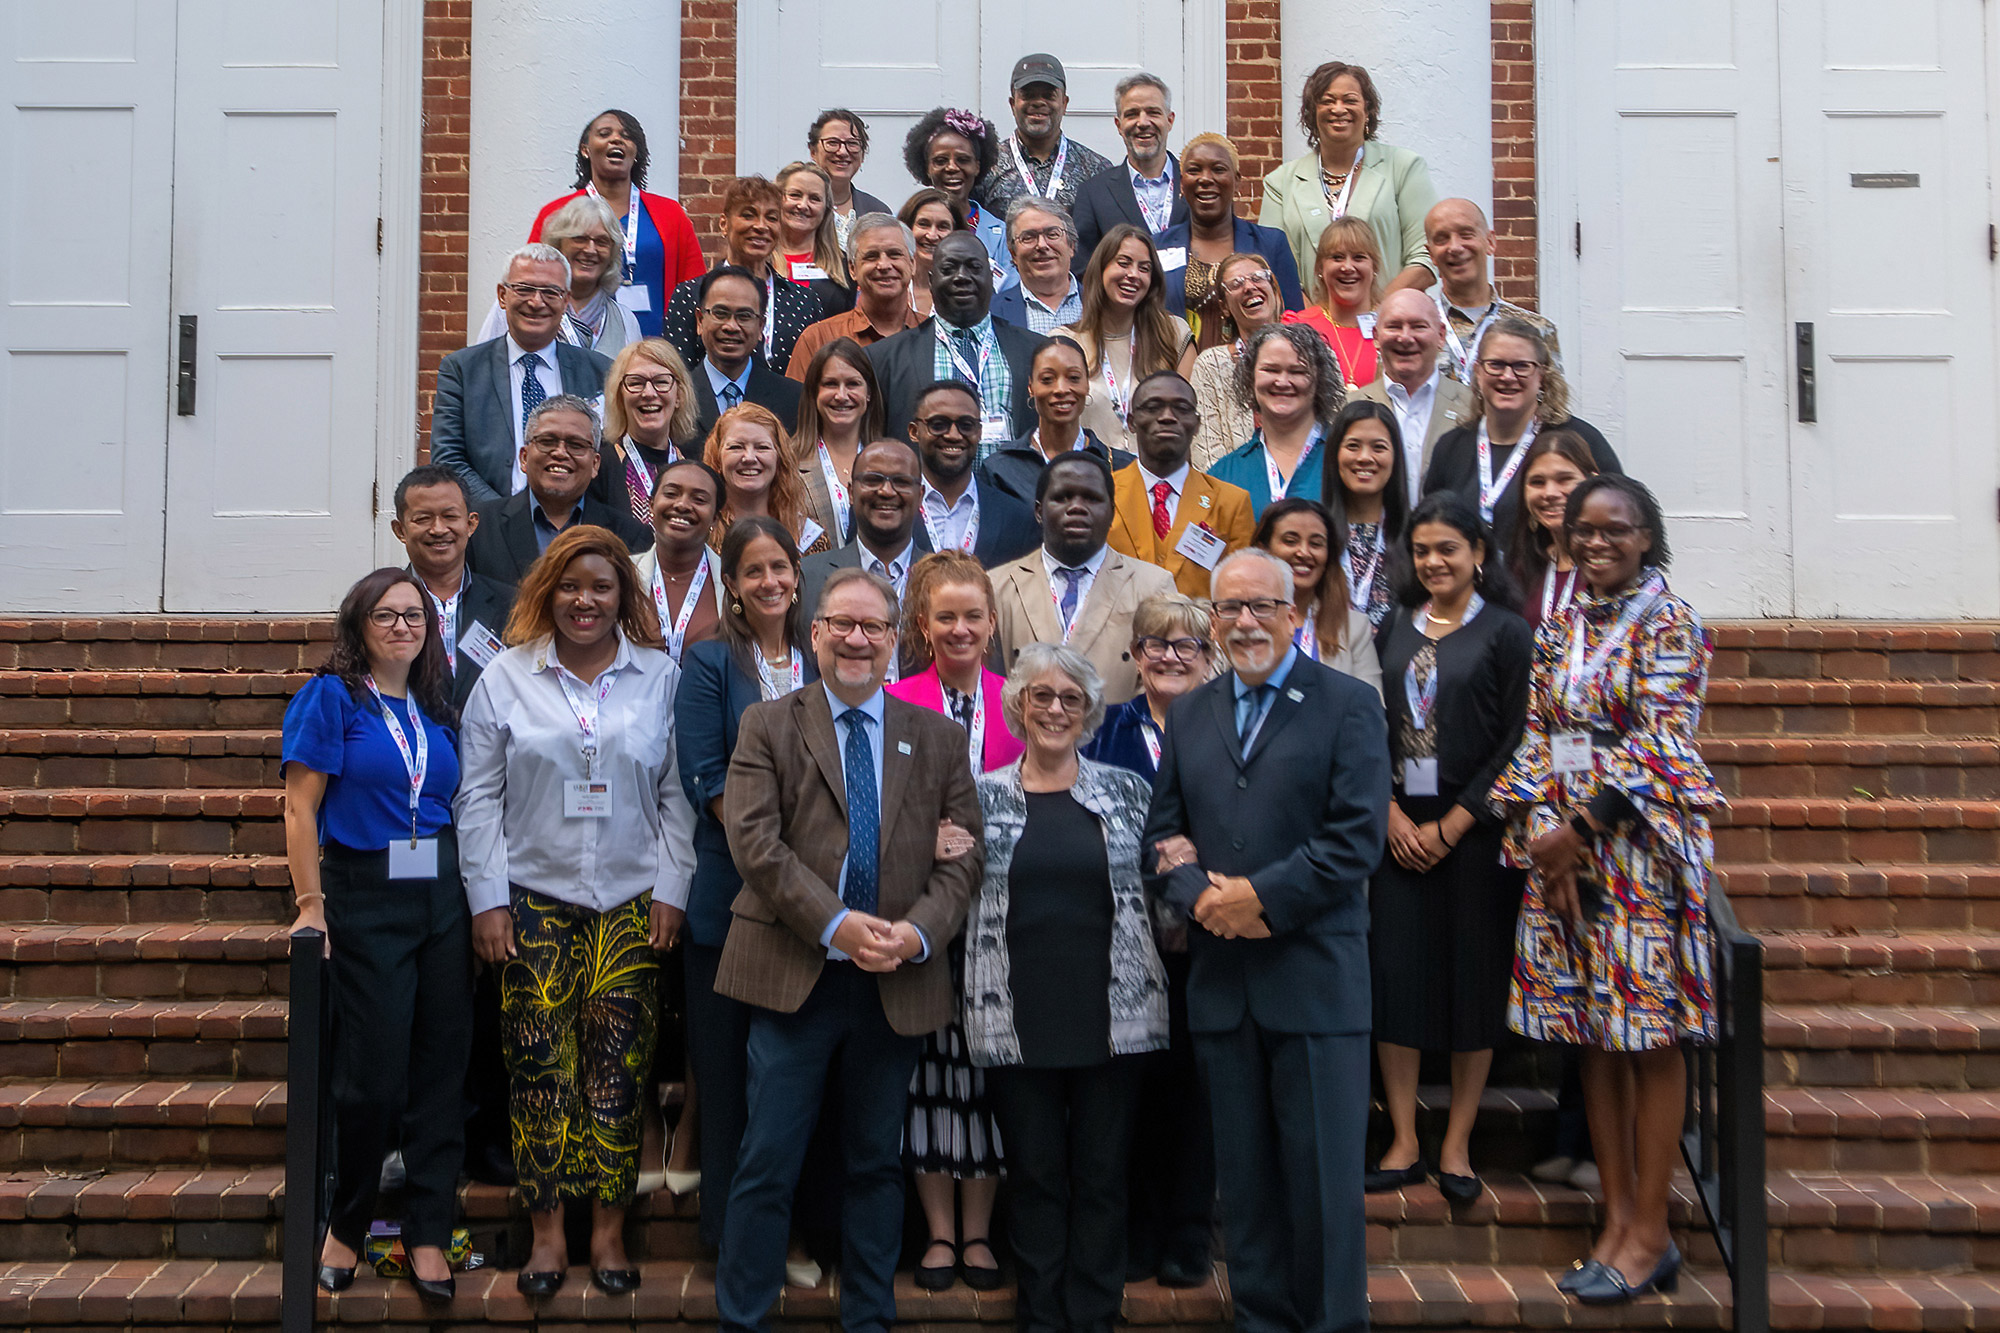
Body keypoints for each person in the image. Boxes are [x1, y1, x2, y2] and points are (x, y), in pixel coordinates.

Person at [711, 566, 983, 1333]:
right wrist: (838, 924)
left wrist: (916, 930)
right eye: (844, 625)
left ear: (896, 641)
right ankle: (744, 1315)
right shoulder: (769, 723)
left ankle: (869, 1316)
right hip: (796, 973)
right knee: (767, 1160)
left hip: (895, 980)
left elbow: (964, 856)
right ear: (817, 633)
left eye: (874, 627)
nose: (858, 639)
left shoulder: (936, 736)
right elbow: (756, 844)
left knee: (874, 1161)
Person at [1141, 547, 1390, 1333]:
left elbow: (1355, 840)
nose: (1244, 621)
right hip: (1223, 989)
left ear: (1293, 614)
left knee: (1320, 1193)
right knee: (1244, 1192)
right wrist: (1205, 898)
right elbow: (1163, 835)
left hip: (1314, 984)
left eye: (1261, 606)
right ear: (1213, 622)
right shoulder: (1193, 711)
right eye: (1229, 609)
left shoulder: (1348, 705)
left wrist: (1258, 897)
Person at [1491, 475, 1719, 1305]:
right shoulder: (1557, 632)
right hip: (1567, 865)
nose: (1596, 543)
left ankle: (1653, 1230)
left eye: (1615, 531)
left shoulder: (1673, 623)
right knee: (1592, 1032)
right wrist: (1538, 838)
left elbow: (1662, 744)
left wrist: (1579, 831)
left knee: (1648, 1040)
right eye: (1582, 531)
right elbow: (1541, 740)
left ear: (1646, 538)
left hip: (1639, 861)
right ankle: (1615, 1219)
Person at [455, 525, 699, 1298]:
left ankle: (608, 1231)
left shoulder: (659, 677)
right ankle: (548, 1235)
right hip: (532, 900)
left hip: (630, 902)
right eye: (570, 586)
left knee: (618, 1074)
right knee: (538, 1071)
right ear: (546, 593)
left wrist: (672, 887)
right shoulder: (505, 677)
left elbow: (677, 798)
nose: (584, 600)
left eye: (601, 587)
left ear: (623, 596)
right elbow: (478, 797)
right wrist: (486, 899)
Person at [962, 644, 1169, 1333]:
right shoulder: (981, 794)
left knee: (1104, 1177)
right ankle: (1042, 1316)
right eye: (1041, 696)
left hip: (1115, 1009)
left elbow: (1161, 881)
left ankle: (1094, 1315)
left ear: (1088, 712)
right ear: (1017, 705)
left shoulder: (1128, 790)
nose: (1055, 708)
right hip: (1017, 1011)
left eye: (1070, 699)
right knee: (1037, 1175)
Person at [288, 569, 468, 1304]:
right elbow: (300, 808)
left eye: (414, 614)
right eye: (386, 614)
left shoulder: (433, 704)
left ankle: (428, 1229)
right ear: (358, 624)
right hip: (364, 894)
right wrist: (310, 904)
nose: (402, 625)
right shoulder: (332, 697)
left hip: (442, 896)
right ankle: (348, 1221)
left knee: (440, 1071)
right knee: (373, 1076)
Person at [1368, 493, 1532, 1204]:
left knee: (1474, 981)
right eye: (1423, 550)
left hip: (1477, 833)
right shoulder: (1388, 630)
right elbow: (1365, 726)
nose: (1434, 561)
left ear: (1479, 555)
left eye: (1449, 549)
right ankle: (1404, 1137)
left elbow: (1521, 740)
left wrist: (1457, 821)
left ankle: (1458, 1142)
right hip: (1398, 828)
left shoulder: (1506, 632)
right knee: (1395, 978)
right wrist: (1393, 812)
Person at [676, 517, 821, 1252]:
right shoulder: (708, 664)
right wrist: (778, 861)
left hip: (816, 905)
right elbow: (706, 777)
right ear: (730, 583)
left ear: (798, 575)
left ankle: (792, 1232)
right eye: (753, 570)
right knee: (727, 1078)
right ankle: (728, 1239)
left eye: (780, 568)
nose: (769, 581)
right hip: (731, 900)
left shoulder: (824, 656)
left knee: (793, 1085)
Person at [885, 552, 1021, 1293]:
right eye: (946, 617)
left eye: (974, 616)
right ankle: (940, 1231)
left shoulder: (1023, 701)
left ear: (993, 623)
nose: (961, 629)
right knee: (932, 1077)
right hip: (922, 919)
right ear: (923, 625)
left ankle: (981, 1231)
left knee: (990, 1074)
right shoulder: (893, 698)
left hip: (1001, 921)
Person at [1077, 594, 1219, 1289]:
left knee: (1195, 1093)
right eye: (1154, 643)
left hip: (1208, 938)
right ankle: (1135, 1230)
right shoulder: (1103, 730)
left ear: (1207, 657)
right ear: (1134, 656)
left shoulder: (1224, 728)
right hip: (1125, 940)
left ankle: (1189, 1233)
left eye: (1184, 644)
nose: (1168, 655)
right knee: (1129, 1093)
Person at [989, 451, 1177, 705]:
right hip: (1025, 741)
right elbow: (989, 683)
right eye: (1062, 497)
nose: (1076, 507)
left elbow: (1163, 686)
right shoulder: (997, 586)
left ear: (1111, 512)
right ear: (1038, 511)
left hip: (1119, 741)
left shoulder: (1153, 587)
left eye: (1091, 498)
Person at [433, 245, 613, 506]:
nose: (536, 302)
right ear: (502, 295)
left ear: (566, 301)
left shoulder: (600, 371)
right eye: (525, 289)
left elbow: (608, 458)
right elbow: (448, 458)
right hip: (490, 527)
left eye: (550, 292)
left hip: (577, 531)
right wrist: (504, 518)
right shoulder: (462, 370)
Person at [1422, 316, 1621, 550]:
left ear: (1542, 376)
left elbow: (1620, 521)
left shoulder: (1580, 440)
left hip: (1551, 585)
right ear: (1478, 371)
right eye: (1496, 364)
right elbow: (1431, 528)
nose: (1508, 377)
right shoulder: (1451, 447)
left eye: (1521, 366)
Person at [1259, 61, 1438, 301]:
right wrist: (1315, 325)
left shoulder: (1403, 168)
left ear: (1368, 111)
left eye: (1350, 100)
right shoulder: (1280, 183)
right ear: (1312, 113)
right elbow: (1273, 266)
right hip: (1309, 329)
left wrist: (1377, 314)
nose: (1338, 108)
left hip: (1387, 326)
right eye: (1327, 101)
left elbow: (1426, 256)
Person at [868, 231, 1047, 461]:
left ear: (992, 278)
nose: (961, 277)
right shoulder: (884, 359)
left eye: (973, 267)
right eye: (949, 268)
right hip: (924, 495)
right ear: (931, 282)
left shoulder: (1035, 351)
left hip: (1015, 494)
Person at [529, 109, 705, 341]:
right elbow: (533, 280)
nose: (616, 139)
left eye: (626, 135)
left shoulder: (671, 215)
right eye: (604, 133)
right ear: (585, 149)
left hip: (659, 355)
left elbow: (694, 290)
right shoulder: (555, 214)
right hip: (573, 347)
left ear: (636, 152)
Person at [466, 396, 653, 587]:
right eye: (547, 441)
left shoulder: (630, 537)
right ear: (524, 457)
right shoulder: (478, 528)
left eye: (576, 445)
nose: (560, 453)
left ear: (595, 464)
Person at [1108, 371, 1256, 599]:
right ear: (1131, 421)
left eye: (1182, 408)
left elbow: (1242, 592)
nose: (1167, 416)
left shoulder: (1231, 503)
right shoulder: (1104, 495)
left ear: (1197, 424)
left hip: (1200, 632)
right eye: (1153, 407)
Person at [662, 177, 824, 378]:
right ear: (724, 224)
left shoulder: (804, 301)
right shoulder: (690, 294)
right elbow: (678, 374)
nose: (761, 226)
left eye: (772, 218)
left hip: (787, 408)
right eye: (749, 215)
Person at [1155, 135, 1304, 351]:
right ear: (1181, 183)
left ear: (1237, 182)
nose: (1205, 179)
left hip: (1256, 375)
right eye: (1194, 170)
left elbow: (1293, 321)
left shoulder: (1271, 244)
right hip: (1176, 377)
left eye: (1218, 169)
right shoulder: (1156, 247)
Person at [1056, 225, 1196, 454]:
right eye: (1123, 263)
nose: (1133, 274)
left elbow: (1188, 420)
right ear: (1101, 268)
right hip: (1093, 478)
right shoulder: (1066, 343)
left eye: (1144, 268)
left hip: (1158, 477)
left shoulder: (1175, 334)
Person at [392, 466, 516, 709]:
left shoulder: (512, 605)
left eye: (450, 516)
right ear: (400, 530)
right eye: (422, 519)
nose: (438, 529)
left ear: (471, 524)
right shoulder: (376, 608)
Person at [799, 439, 932, 646]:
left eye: (902, 482)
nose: (887, 491)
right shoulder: (807, 579)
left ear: (920, 495)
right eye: (872, 480)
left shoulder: (943, 581)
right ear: (851, 493)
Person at [1209, 323, 1346, 517]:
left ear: (1320, 379)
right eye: (1270, 370)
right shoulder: (1224, 475)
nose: (1282, 382)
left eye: (1298, 371)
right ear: (1250, 378)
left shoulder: (1348, 458)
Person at [980, 337, 1135, 507]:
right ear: (1031, 387)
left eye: (1074, 378)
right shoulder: (1001, 469)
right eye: (1047, 379)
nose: (1061, 389)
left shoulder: (1122, 467)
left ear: (1087, 385)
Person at [1252, 497, 1382, 695]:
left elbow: (1371, 710)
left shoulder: (1354, 629)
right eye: (1290, 541)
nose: (1304, 552)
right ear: (1263, 550)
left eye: (1316, 544)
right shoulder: (1238, 620)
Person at [1353, 290, 1473, 503]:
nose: (1405, 337)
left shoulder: (1472, 407)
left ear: (1441, 336)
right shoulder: (1350, 407)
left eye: (1419, 326)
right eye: (1394, 326)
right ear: (1376, 336)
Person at [480, 194, 638, 356]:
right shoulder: (514, 305)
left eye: (601, 242)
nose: (590, 250)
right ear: (559, 245)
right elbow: (483, 365)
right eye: (580, 239)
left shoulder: (625, 321)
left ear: (612, 253)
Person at [1425, 197, 1562, 382]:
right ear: (1431, 253)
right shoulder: (1415, 329)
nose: (1455, 247)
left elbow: (1552, 407)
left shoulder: (1537, 330)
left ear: (1490, 242)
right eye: (1442, 239)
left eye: (1466, 235)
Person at [909, 381, 1043, 566]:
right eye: (938, 424)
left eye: (966, 425)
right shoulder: (892, 508)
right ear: (914, 431)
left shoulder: (1017, 519)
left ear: (979, 432)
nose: (953, 435)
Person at [975, 54, 1114, 222]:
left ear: (1064, 103)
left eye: (1049, 95)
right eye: (1028, 95)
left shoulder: (1096, 169)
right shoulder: (986, 167)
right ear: (1012, 104)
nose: (1038, 102)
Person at [1071, 73, 1189, 263]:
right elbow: (1084, 268)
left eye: (1153, 112)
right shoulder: (1093, 194)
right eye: (1132, 114)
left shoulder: (1196, 184)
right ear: (1119, 125)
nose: (1142, 123)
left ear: (1170, 120)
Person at [1187, 253, 1289, 471]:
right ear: (1224, 307)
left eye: (1258, 278)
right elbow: (1205, 453)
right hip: (1235, 495)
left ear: (1275, 291)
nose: (1249, 287)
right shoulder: (1210, 364)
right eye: (1236, 284)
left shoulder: (1313, 353)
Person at [787, 215, 924, 374]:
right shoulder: (818, 339)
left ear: (912, 264)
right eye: (871, 256)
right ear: (852, 269)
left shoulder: (936, 337)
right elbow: (796, 399)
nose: (884, 265)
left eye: (894, 254)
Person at [683, 267, 807, 437]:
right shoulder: (678, 397)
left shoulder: (794, 399)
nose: (731, 326)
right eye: (720, 313)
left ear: (761, 326)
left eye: (744, 316)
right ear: (700, 320)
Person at [592, 339, 703, 526]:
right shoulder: (599, 467)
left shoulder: (696, 463)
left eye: (661, 382)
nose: (649, 393)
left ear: (679, 396)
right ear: (620, 396)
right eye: (636, 383)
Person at [1323, 399, 1413, 628]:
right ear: (1335, 453)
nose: (1364, 457)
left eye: (1379, 447)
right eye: (1353, 446)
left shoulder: (1416, 538)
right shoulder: (1315, 533)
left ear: (1396, 457)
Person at [791, 337, 886, 545]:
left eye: (853, 384)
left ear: (868, 392)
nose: (841, 395)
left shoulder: (890, 462)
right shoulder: (788, 463)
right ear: (815, 392)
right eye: (830, 384)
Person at [704, 403, 830, 558]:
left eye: (762, 447)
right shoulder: (701, 532)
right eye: (736, 447)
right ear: (718, 458)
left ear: (779, 458)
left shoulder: (808, 535)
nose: (749, 458)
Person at [632, 458, 727, 663]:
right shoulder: (621, 573)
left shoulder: (733, 584)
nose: (683, 505)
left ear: (715, 519)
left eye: (699, 499)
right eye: (671, 493)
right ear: (651, 505)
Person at [904, 108, 1012, 286]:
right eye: (940, 161)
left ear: (977, 166)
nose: (952, 167)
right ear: (927, 167)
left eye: (962, 160)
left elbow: (1009, 296)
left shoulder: (1001, 235)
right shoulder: (904, 226)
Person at [1507, 431, 1600, 629]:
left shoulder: (1611, 565)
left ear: (1592, 482)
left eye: (1564, 479)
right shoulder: (1522, 569)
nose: (1550, 493)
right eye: (1537, 482)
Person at [1282, 217, 1383, 389]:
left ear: (1374, 268)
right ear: (1320, 268)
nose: (1348, 267)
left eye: (1359, 258)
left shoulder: (1393, 329)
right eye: (1337, 258)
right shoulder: (1297, 328)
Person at [990, 197, 1083, 333]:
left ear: (1071, 246)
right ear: (1013, 253)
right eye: (1028, 237)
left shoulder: (1102, 305)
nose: (1042, 245)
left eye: (1052, 234)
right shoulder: (992, 312)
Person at [774, 160, 854, 312]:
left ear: (826, 209)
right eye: (795, 195)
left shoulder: (845, 266)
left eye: (814, 199)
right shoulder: (759, 259)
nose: (803, 205)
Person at [808, 108, 893, 250]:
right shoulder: (793, 206)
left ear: (863, 155)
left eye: (852, 144)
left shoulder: (877, 211)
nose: (842, 152)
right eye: (832, 143)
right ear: (813, 151)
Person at [899, 187, 970, 321]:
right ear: (907, 228)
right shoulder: (891, 286)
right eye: (923, 224)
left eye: (943, 226)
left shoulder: (967, 291)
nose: (932, 236)